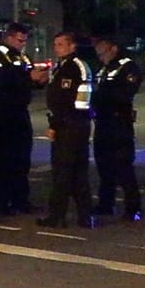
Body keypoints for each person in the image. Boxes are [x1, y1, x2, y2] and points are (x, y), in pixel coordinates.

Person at [37, 30, 96, 229]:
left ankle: (59, 216)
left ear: (72, 46)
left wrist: (55, 125)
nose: (56, 48)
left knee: (64, 173)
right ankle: (84, 216)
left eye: (61, 44)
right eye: (55, 45)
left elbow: (66, 101)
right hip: (73, 125)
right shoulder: (62, 66)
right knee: (75, 173)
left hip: (71, 126)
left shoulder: (74, 67)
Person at [0, 22, 40, 214]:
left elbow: (27, 76)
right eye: (19, 40)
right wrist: (27, 77)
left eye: (25, 40)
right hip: (3, 114)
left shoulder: (21, 55)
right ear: (8, 37)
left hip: (20, 112)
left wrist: (38, 79)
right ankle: (1, 202)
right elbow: (1, 79)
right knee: (2, 161)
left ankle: (20, 200)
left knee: (21, 160)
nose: (23, 44)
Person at [91, 36, 143, 221]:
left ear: (113, 49)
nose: (100, 57)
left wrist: (102, 96)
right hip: (103, 123)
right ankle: (106, 204)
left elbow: (125, 93)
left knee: (123, 166)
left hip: (119, 123)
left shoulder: (127, 67)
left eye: (102, 52)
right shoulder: (105, 68)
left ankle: (133, 208)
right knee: (104, 166)